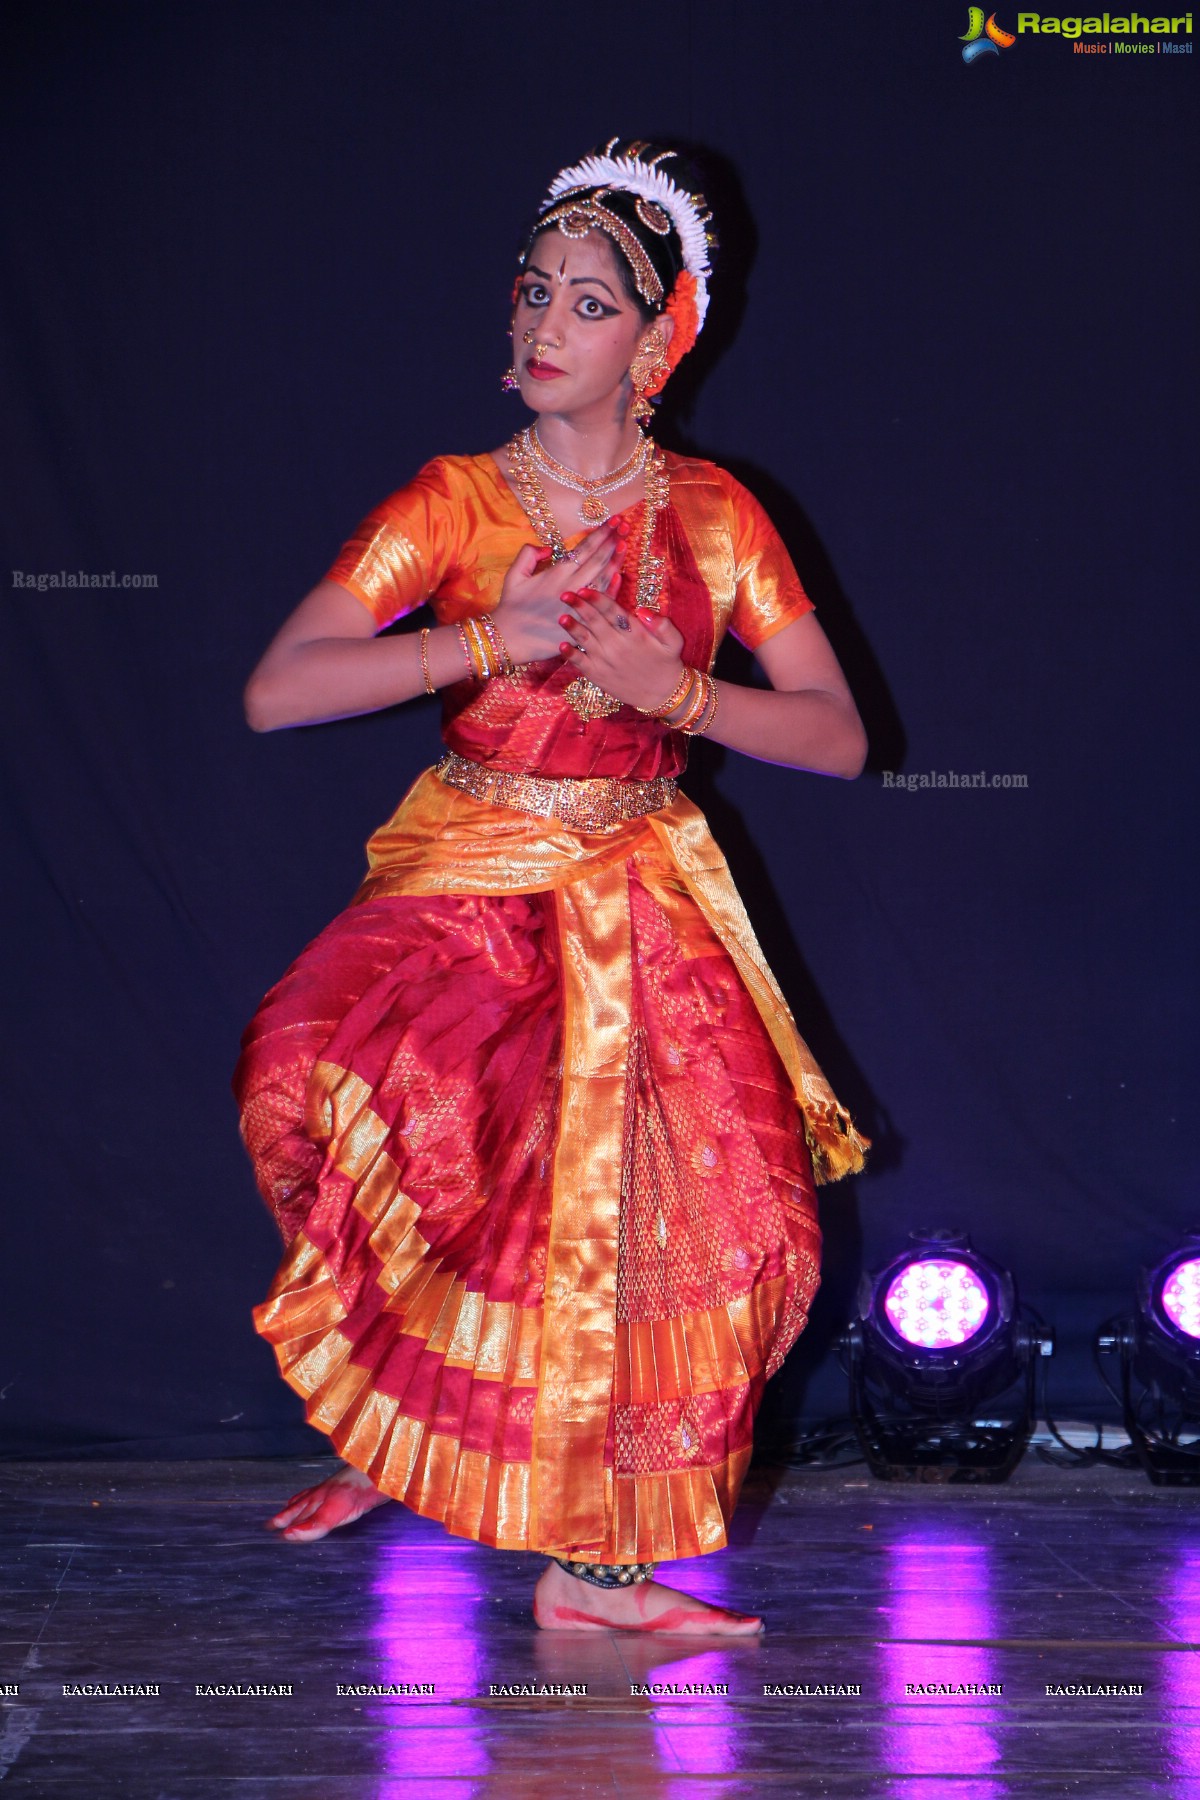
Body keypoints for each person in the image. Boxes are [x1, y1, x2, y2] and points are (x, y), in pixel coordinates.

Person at [231, 138, 869, 1636]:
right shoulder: (454, 501)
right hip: (473, 867)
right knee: (318, 1088)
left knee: (704, 1226)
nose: (539, 327)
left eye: (586, 305)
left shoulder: (719, 517)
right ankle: (415, 1432)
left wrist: (683, 695)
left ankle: (596, 1576)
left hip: (643, 879)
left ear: (657, 346)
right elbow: (277, 691)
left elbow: (839, 740)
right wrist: (479, 646)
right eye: (533, 291)